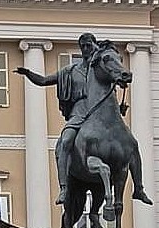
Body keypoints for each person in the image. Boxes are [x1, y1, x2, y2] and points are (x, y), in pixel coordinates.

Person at [15, 32, 98, 205]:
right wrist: (28, 73)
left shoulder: (102, 69)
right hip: (78, 112)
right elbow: (44, 81)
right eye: (82, 46)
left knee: (128, 144)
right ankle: (64, 188)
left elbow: (119, 78)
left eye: (88, 45)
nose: (85, 49)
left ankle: (138, 186)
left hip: (99, 112)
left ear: (94, 45)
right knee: (65, 142)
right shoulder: (70, 71)